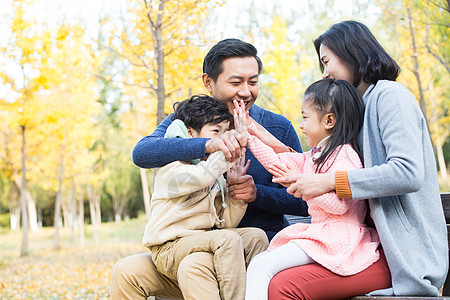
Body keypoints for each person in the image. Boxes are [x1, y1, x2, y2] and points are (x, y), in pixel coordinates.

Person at [110, 38, 308, 300]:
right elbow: (143, 152)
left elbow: (306, 204)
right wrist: (209, 144)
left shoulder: (277, 128)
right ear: (208, 82)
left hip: (253, 251)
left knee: (195, 266)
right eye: (236, 83)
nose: (246, 92)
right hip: (192, 244)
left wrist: (255, 193)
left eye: (253, 81)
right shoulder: (188, 121)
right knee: (126, 271)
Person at [268, 20, 448, 298]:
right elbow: (317, 159)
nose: (326, 74)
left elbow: (408, 172)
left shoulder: (390, 96)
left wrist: (328, 182)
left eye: (327, 62)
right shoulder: (359, 108)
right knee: (277, 277)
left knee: (285, 286)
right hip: (365, 247)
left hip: (402, 255)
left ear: (352, 52)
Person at [241, 79, 380, 300]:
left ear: (329, 121)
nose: (301, 124)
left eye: (305, 117)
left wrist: (303, 186)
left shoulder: (344, 154)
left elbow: (339, 206)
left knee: (261, 267)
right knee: (258, 262)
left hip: (340, 237)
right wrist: (247, 134)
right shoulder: (314, 155)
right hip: (320, 234)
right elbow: (276, 162)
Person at [144, 94, 259, 300]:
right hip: (168, 248)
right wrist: (233, 145)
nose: (223, 139)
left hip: (200, 241)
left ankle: (255, 295)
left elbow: (226, 223)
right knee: (227, 239)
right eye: (216, 132)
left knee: (256, 237)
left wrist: (234, 194)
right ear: (190, 133)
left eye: (226, 132)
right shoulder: (171, 167)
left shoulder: (214, 174)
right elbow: (200, 177)